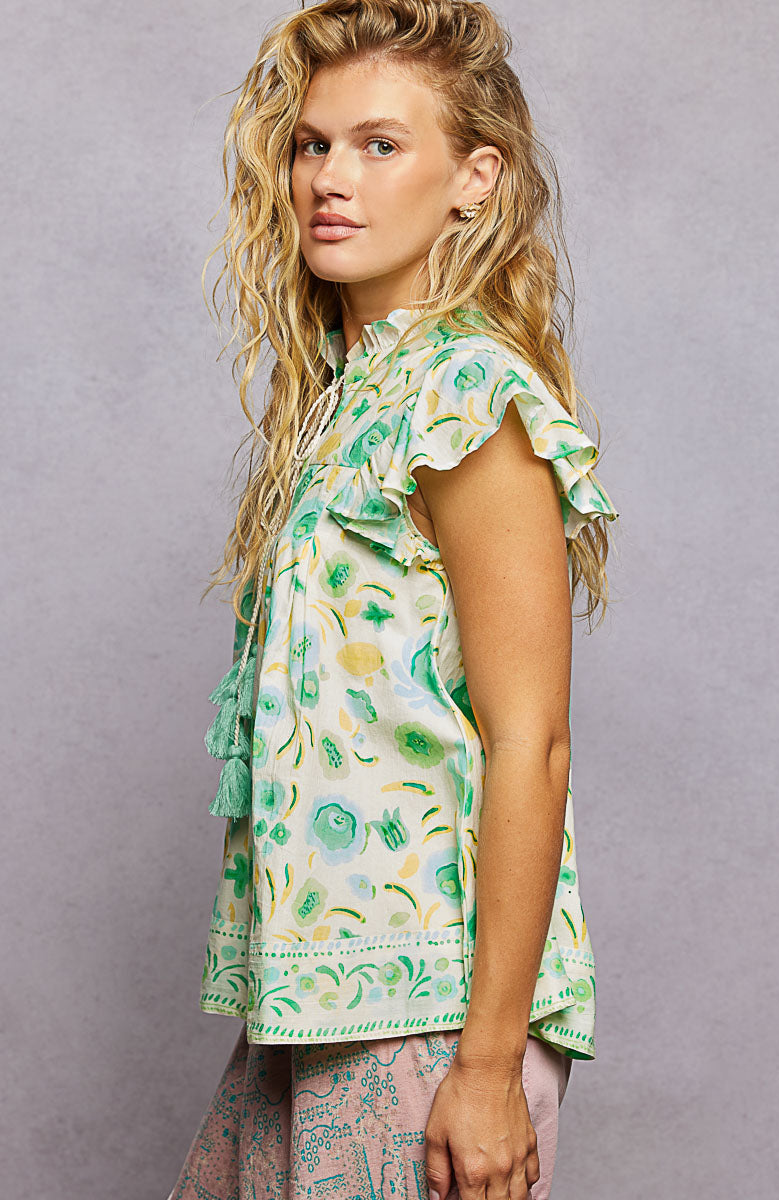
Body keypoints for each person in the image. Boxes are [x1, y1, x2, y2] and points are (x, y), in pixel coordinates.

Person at [170, 2, 619, 1198]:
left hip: (433, 1016)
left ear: (475, 179)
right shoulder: (344, 398)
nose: (330, 177)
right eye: (314, 144)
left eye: (379, 145)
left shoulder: (466, 396)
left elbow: (530, 742)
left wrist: (486, 1066)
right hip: (314, 999)